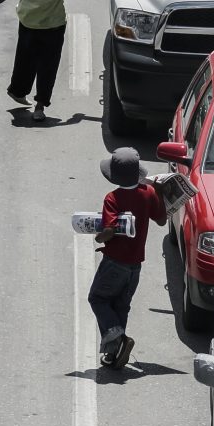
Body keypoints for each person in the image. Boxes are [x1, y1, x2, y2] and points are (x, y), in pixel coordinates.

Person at [89, 148, 166, 369]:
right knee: (121, 306)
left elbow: (110, 230)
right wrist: (158, 191)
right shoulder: (148, 193)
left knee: (98, 299)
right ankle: (114, 355)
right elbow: (161, 219)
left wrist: (98, 237)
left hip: (114, 261)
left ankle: (117, 337)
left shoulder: (112, 198)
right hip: (135, 265)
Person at [7, 0, 66, 122]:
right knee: (47, 66)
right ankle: (39, 105)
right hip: (51, 23)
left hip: (29, 18)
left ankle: (18, 91)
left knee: (25, 58)